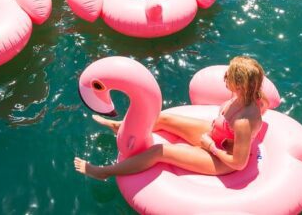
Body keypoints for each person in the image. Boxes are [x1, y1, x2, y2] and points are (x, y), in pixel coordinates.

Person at [75, 55, 268, 180]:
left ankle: (104, 172)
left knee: (160, 151)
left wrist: (210, 145)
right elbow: (264, 104)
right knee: (161, 119)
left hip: (220, 158)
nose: (225, 78)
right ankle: (120, 126)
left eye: (229, 77)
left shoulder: (243, 121)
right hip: (215, 134)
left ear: (241, 84)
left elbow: (239, 163)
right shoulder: (249, 95)